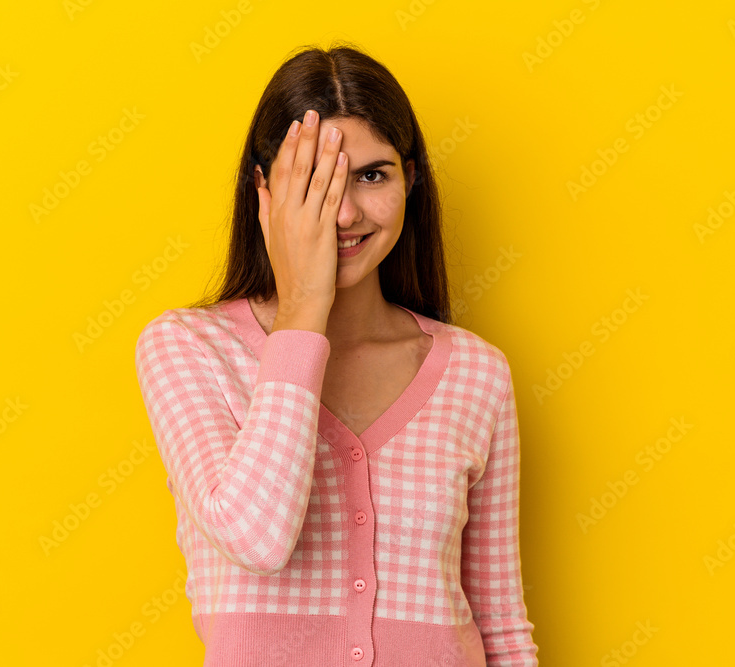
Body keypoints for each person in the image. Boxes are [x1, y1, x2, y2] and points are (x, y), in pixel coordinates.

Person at [134, 42, 539, 666]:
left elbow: (501, 626)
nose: (344, 212)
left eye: (371, 175)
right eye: (313, 182)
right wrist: (302, 307)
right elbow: (256, 536)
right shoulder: (188, 348)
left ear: (411, 180)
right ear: (264, 190)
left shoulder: (477, 373)